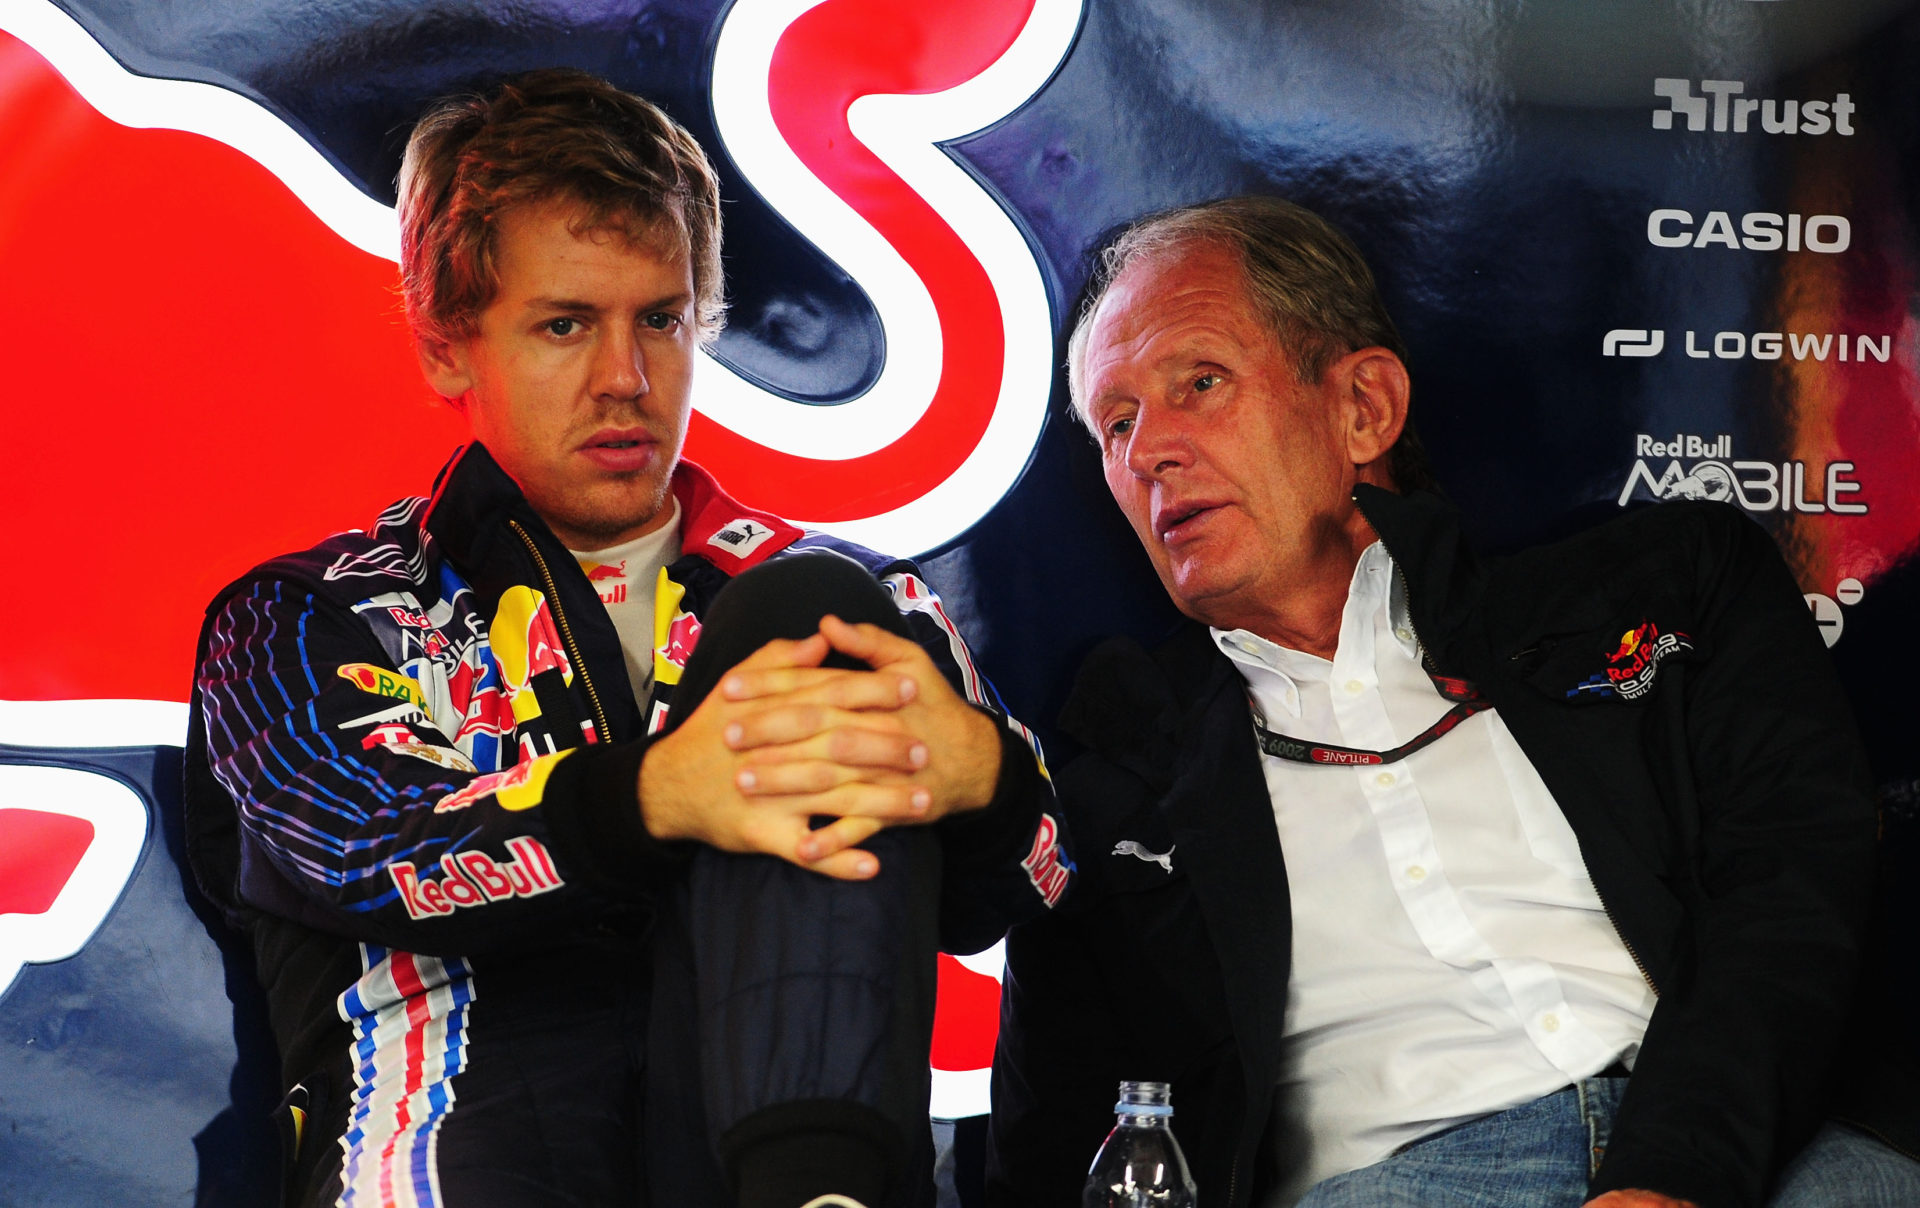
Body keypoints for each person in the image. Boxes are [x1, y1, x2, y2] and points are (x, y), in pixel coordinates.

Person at [183, 69, 1068, 1208]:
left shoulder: (850, 600)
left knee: (810, 613)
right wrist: (652, 797)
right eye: (565, 325)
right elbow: (353, 848)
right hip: (467, 1163)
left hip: (775, 1156)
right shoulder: (306, 612)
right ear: (449, 347)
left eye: (659, 319)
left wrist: (990, 781)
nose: (625, 379)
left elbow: (1039, 880)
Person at [987, 195, 1918, 1207]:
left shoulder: (1671, 583)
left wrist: (1671, 1172)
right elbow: (1054, 1151)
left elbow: (1792, 886)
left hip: (1779, 1153)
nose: (1148, 449)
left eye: (1199, 382)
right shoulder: (1112, 801)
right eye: (1115, 423)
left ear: (1363, 409)